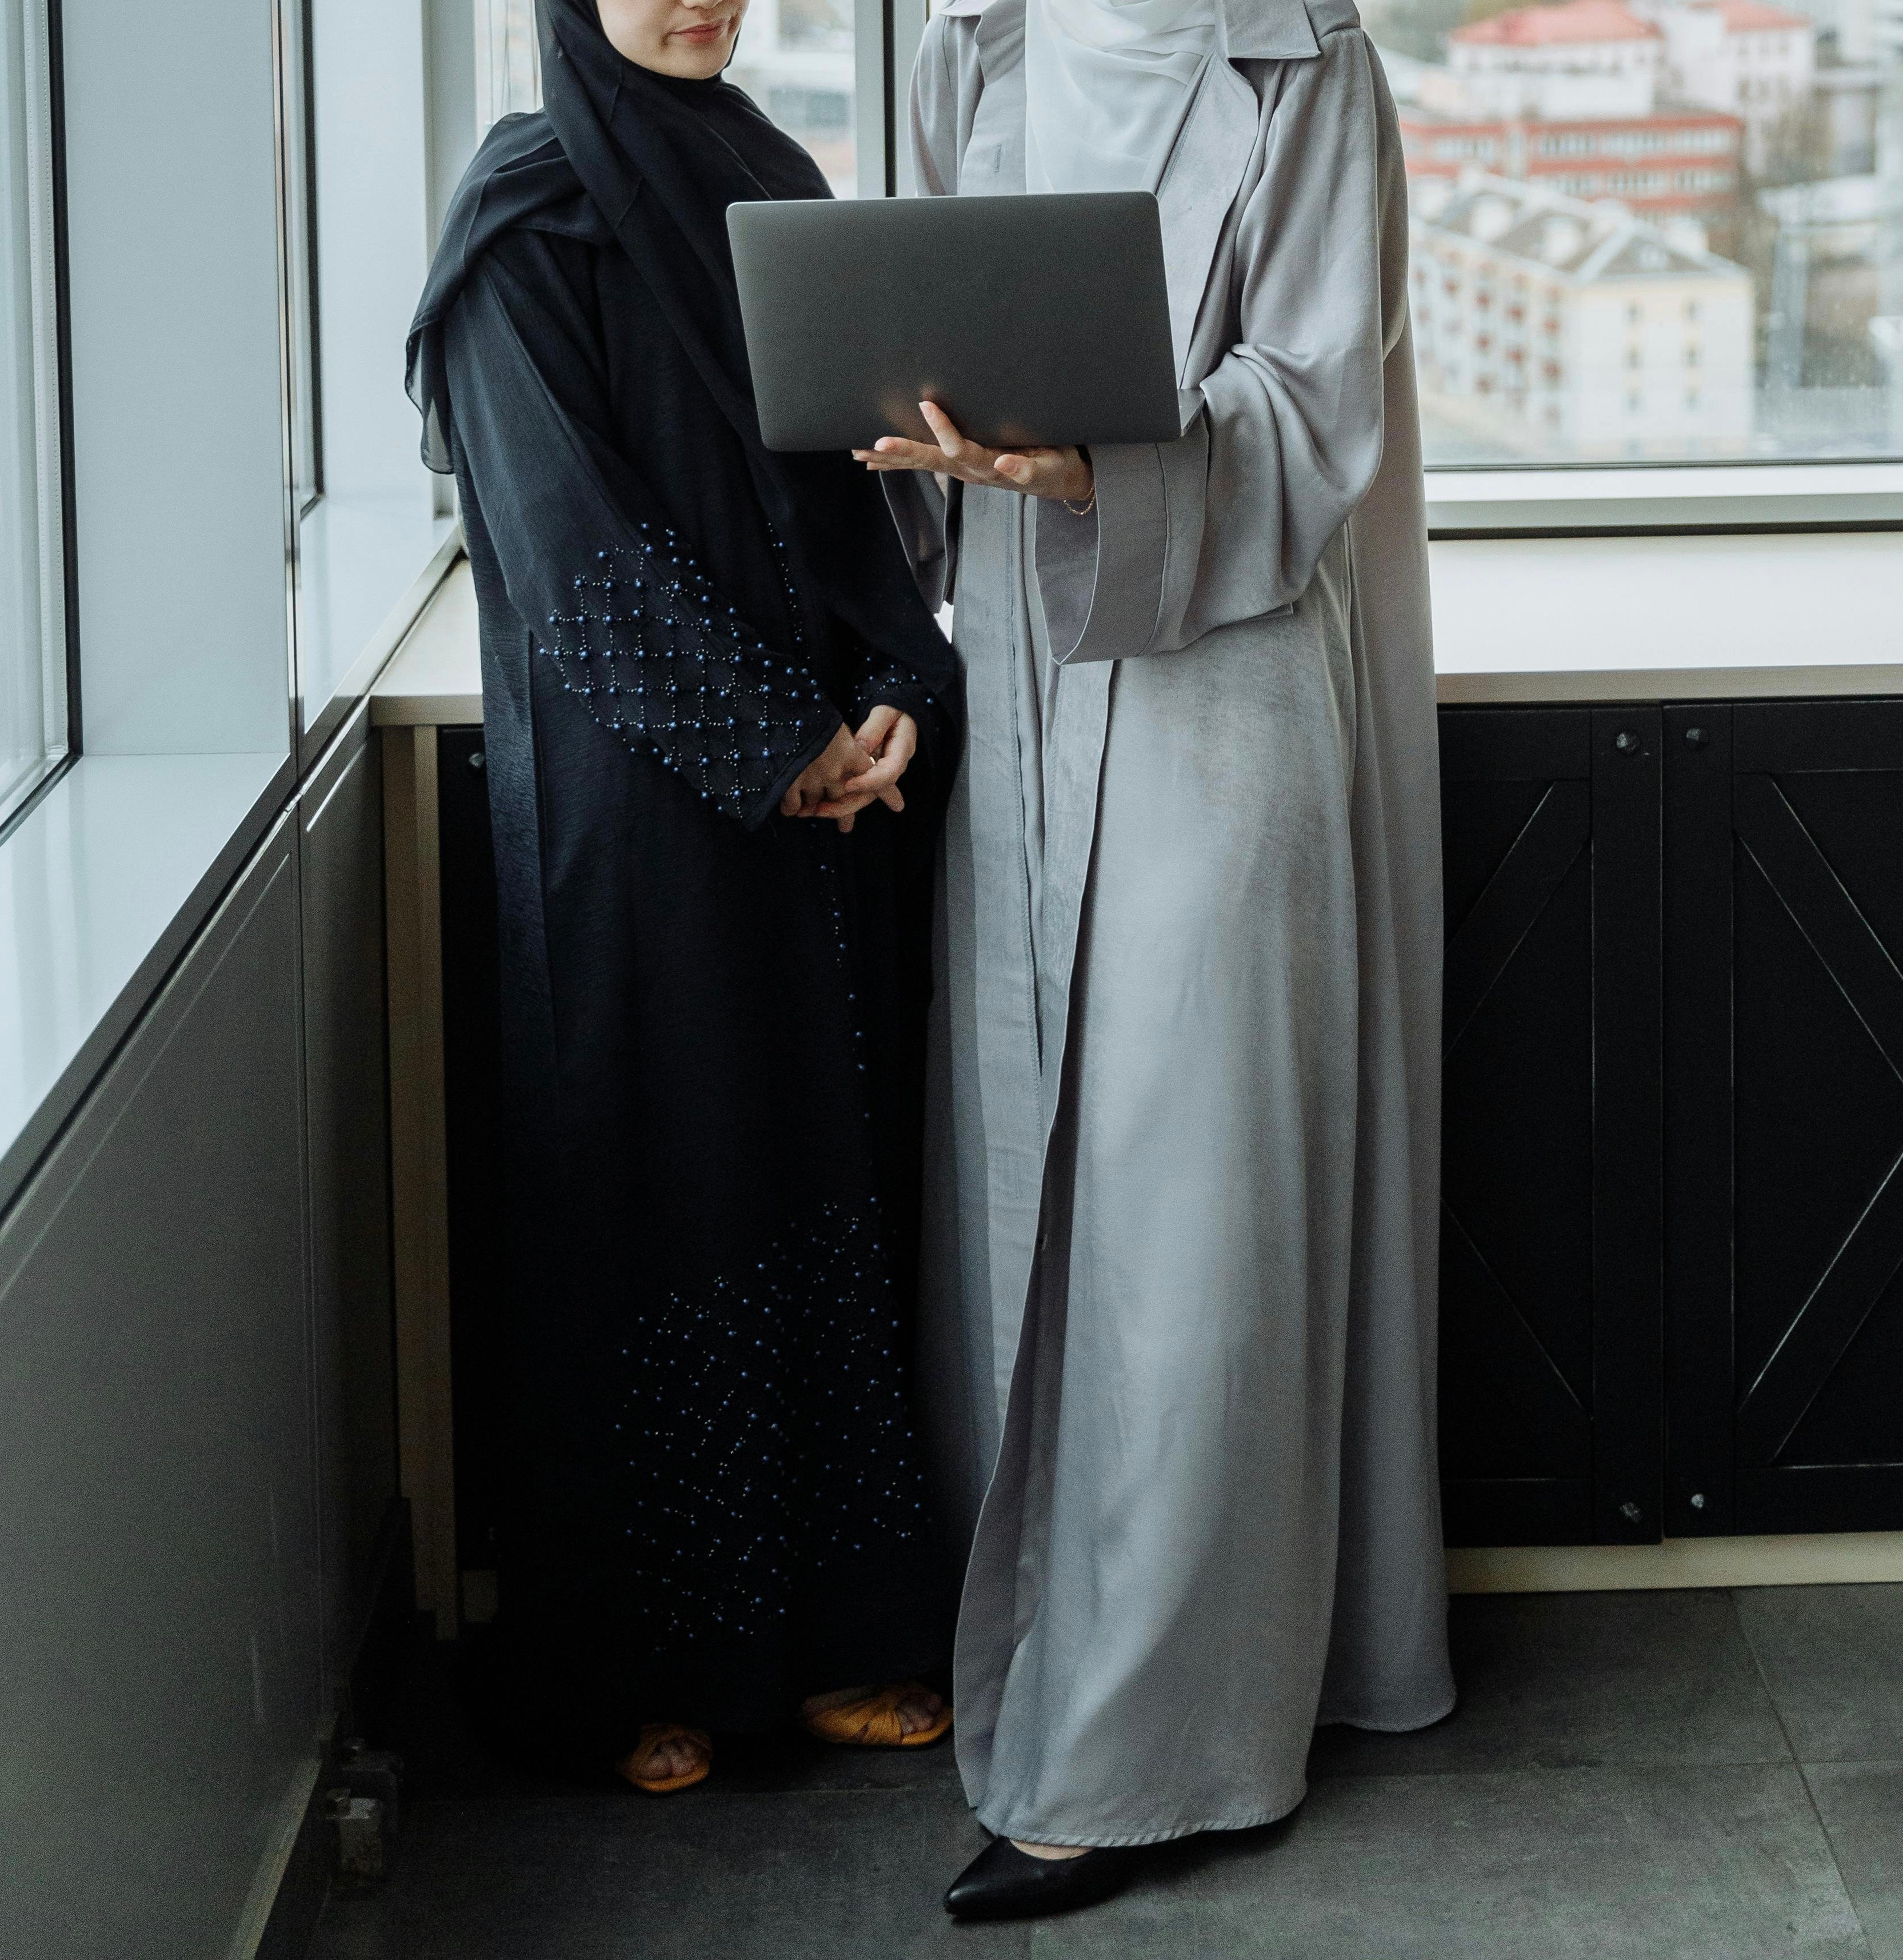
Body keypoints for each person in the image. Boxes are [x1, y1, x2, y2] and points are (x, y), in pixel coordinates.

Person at [858, 0, 1457, 1919]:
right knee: (1038, 1185)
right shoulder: (976, 38)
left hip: (1228, 681)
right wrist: (925, 433)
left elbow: (1314, 409)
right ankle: (1047, 1658)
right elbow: (914, 312)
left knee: (1193, 1216)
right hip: (1025, 694)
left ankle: (1159, 1754)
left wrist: (1104, 472)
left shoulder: (1313, 64)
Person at [405, 0, 960, 1795]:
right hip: (643, 812)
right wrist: (773, 742)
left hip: (824, 806)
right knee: (657, 1200)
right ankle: (646, 1663)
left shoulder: (774, 179)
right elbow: (568, 547)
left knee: (820, 1201)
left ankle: (830, 1646)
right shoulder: (525, 213)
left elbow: (857, 481)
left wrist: (894, 687)